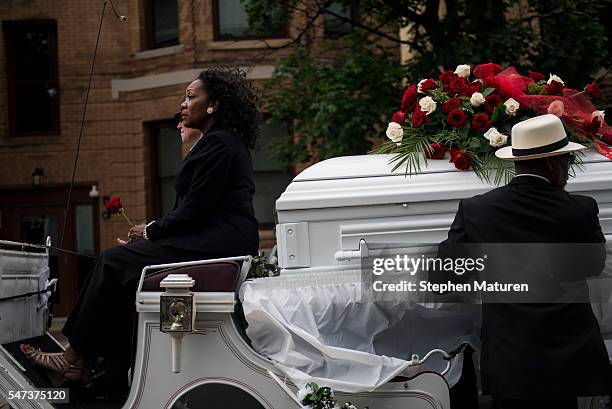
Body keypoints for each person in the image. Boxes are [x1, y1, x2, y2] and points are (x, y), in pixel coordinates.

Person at [21, 67, 260, 385]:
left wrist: (149, 232)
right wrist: (149, 238)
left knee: (111, 262)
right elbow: (192, 213)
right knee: (123, 268)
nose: (183, 105)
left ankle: (72, 358)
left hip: (217, 245)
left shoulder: (220, 144)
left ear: (213, 104)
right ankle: (111, 371)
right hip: (212, 242)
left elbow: (193, 212)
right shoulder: (219, 143)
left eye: (191, 97)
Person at [442, 114, 612, 408]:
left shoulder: (477, 211)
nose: (567, 173)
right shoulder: (581, 209)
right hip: (567, 360)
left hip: (511, 360)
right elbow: (592, 266)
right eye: (566, 162)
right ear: (550, 163)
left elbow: (446, 277)